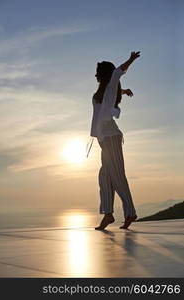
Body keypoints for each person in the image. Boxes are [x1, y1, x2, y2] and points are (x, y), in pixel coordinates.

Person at [90, 51, 140, 230]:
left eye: (98, 72)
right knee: (105, 176)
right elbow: (110, 97)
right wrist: (124, 91)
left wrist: (131, 60)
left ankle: (130, 213)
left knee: (117, 175)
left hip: (111, 137)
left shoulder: (111, 85)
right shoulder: (105, 90)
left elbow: (118, 72)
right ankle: (108, 214)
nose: (96, 75)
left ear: (104, 74)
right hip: (104, 140)